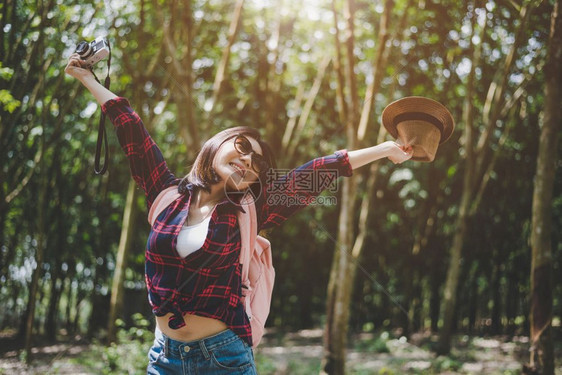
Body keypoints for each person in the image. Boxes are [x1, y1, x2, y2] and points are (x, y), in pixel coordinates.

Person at [65, 53, 413, 374]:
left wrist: (384, 150)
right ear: (217, 145)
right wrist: (87, 78)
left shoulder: (250, 211)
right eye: (243, 147)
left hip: (224, 357)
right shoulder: (166, 195)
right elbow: (133, 133)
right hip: (164, 357)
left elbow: (315, 172)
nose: (248, 159)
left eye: (257, 161)